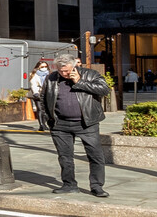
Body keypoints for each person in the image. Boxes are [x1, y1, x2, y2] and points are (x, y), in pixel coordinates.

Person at [35, 52, 110, 198]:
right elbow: (44, 97)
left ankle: (97, 186)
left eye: (67, 71)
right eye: (61, 71)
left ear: (74, 66)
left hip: (87, 123)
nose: (64, 73)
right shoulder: (51, 78)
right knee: (65, 157)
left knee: (95, 156)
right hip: (60, 124)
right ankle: (69, 184)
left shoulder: (90, 74)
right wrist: (47, 116)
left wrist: (79, 82)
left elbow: (104, 89)